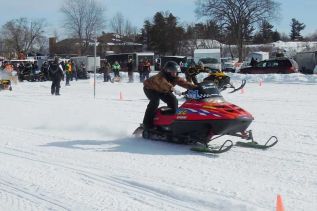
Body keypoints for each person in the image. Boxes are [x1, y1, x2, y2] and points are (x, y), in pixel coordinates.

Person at [142, 61, 197, 130]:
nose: (174, 73)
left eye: (176, 72)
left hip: (163, 90)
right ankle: (146, 123)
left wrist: (197, 87)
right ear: (167, 71)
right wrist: (173, 88)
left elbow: (185, 83)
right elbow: (163, 83)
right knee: (155, 102)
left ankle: (169, 121)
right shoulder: (160, 76)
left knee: (174, 101)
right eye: (172, 71)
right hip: (150, 89)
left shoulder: (175, 77)